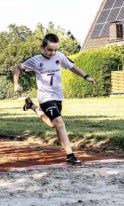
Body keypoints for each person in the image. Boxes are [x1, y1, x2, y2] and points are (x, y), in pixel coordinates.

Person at [13, 33, 96, 165]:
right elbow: (17, 67)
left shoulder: (60, 57)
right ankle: (70, 155)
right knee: (60, 122)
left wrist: (86, 76)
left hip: (58, 97)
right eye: (49, 49)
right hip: (45, 98)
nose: (52, 52)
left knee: (53, 124)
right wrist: (16, 84)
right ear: (42, 48)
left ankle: (32, 106)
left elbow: (72, 67)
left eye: (55, 49)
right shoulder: (35, 60)